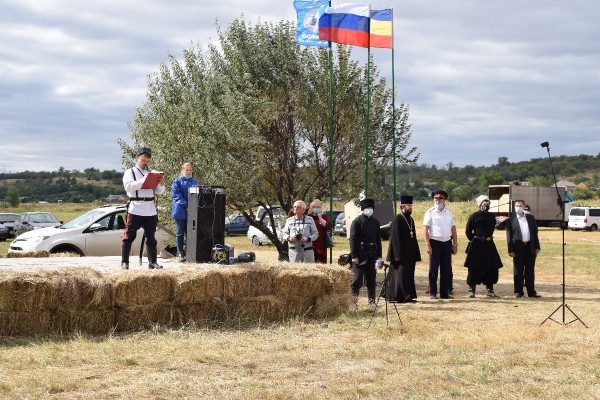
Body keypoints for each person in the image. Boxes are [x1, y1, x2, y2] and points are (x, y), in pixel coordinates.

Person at [121, 147, 166, 269]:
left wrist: (161, 183)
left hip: (150, 209)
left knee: (151, 236)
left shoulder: (151, 172)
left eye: (148, 161)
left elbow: (159, 191)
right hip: (136, 207)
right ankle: (125, 262)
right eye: (143, 160)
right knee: (129, 235)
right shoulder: (130, 172)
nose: (145, 163)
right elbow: (128, 187)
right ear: (137, 158)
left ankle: (152, 262)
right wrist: (143, 181)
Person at [464, 195, 503, 298]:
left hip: (489, 244)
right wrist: (475, 239)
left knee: (491, 267)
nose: (486, 204)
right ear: (480, 204)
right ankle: (472, 289)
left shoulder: (492, 217)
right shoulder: (474, 216)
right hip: (476, 245)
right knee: (474, 267)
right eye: (484, 202)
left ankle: (490, 290)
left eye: (487, 202)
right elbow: (468, 231)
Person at [385, 195, 421, 303]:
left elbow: (413, 237)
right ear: (402, 206)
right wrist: (398, 255)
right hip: (400, 254)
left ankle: (408, 296)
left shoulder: (411, 219)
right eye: (408, 205)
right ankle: (398, 296)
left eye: (411, 205)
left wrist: (416, 253)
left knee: (409, 274)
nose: (410, 207)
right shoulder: (397, 219)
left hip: (409, 253)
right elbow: (395, 239)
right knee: (400, 275)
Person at [423, 189, 457, 299]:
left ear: (444, 200)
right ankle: (432, 292)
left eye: (440, 198)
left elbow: (453, 229)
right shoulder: (430, 212)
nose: (437, 201)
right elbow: (425, 229)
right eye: (436, 198)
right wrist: (428, 245)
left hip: (447, 242)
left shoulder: (449, 213)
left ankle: (444, 293)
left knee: (446, 269)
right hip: (435, 242)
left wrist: (455, 244)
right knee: (433, 269)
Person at [349, 198, 383, 307]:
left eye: (371, 208)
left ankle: (371, 301)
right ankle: (353, 302)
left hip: (372, 254)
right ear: (363, 209)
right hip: (360, 254)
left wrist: (379, 255)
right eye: (367, 208)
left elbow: (378, 240)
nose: (370, 210)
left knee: (371, 279)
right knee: (357, 280)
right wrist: (354, 256)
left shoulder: (376, 222)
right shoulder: (357, 222)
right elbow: (353, 240)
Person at [506, 199, 541, 298]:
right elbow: (509, 237)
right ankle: (518, 292)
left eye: (520, 205)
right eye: (516, 206)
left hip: (530, 247)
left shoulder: (530, 218)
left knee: (530, 271)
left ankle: (531, 292)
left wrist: (537, 246)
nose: (518, 207)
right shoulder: (511, 220)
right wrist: (510, 250)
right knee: (518, 270)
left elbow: (535, 233)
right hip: (518, 248)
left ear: (524, 206)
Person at [171, 162, 199, 263]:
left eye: (190, 170)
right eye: (186, 170)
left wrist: (193, 207)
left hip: (192, 212)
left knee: (191, 232)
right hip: (180, 211)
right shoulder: (177, 182)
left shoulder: (195, 182)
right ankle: (180, 253)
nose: (188, 172)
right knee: (180, 233)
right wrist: (187, 205)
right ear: (182, 170)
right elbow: (176, 196)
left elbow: (198, 196)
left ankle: (190, 252)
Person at [307, 199, 332, 264]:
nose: (315, 208)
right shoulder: (308, 217)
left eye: (318, 207)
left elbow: (328, 226)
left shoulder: (324, 217)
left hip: (320, 245)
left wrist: (320, 218)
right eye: (314, 207)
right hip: (309, 243)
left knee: (321, 263)